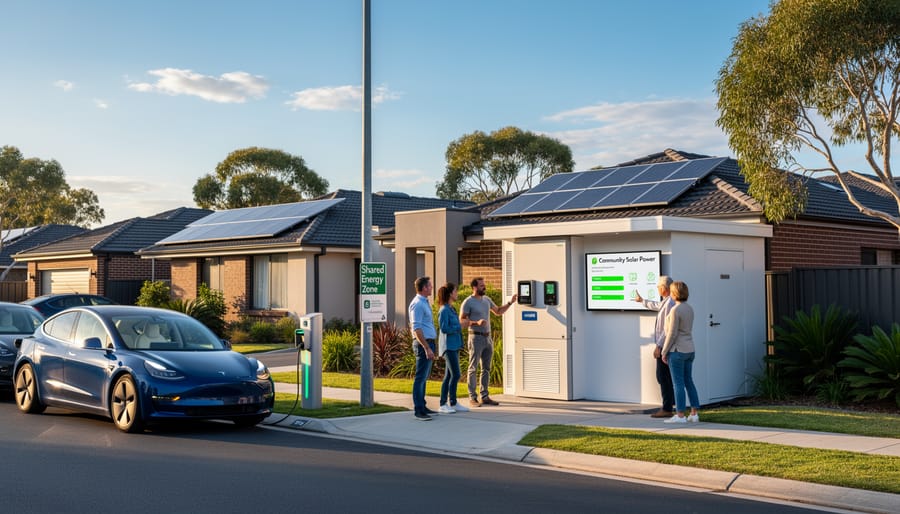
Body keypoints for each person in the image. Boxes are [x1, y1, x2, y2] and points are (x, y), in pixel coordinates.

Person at [460, 277, 517, 407]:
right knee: (473, 368)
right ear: (474, 287)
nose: (484, 287)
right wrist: (476, 322)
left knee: (486, 368)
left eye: (484, 285)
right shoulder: (468, 302)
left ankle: (484, 396)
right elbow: (461, 321)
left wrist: (510, 302)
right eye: (481, 285)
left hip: (487, 338)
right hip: (475, 337)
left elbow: (498, 312)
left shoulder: (487, 300)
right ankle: (472, 398)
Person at [633, 276, 676, 418]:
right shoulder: (666, 301)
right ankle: (670, 404)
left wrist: (659, 346)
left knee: (663, 377)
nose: (657, 289)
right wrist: (642, 301)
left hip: (664, 346)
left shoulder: (670, 303)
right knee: (665, 377)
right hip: (664, 345)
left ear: (664, 288)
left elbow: (667, 328)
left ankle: (667, 407)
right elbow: (657, 306)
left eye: (658, 286)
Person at [660, 280, 700, 424]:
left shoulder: (675, 310)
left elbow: (672, 333)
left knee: (678, 383)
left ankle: (681, 415)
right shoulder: (689, 308)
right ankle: (694, 413)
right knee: (689, 381)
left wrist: (664, 351)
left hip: (677, 350)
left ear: (674, 293)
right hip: (690, 349)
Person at [436, 283, 469, 414]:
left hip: (454, 345)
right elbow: (444, 329)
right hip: (448, 347)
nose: (457, 293)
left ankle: (452, 403)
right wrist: (459, 326)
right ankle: (444, 403)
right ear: (450, 293)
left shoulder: (451, 309)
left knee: (449, 375)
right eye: (455, 291)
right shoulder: (444, 310)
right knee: (456, 374)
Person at [408, 276, 437, 421]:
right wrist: (426, 347)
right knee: (420, 377)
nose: (432, 288)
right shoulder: (417, 304)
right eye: (430, 286)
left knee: (424, 377)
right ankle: (418, 410)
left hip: (429, 342)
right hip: (423, 344)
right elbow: (417, 328)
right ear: (424, 288)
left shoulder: (424, 302)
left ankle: (423, 405)